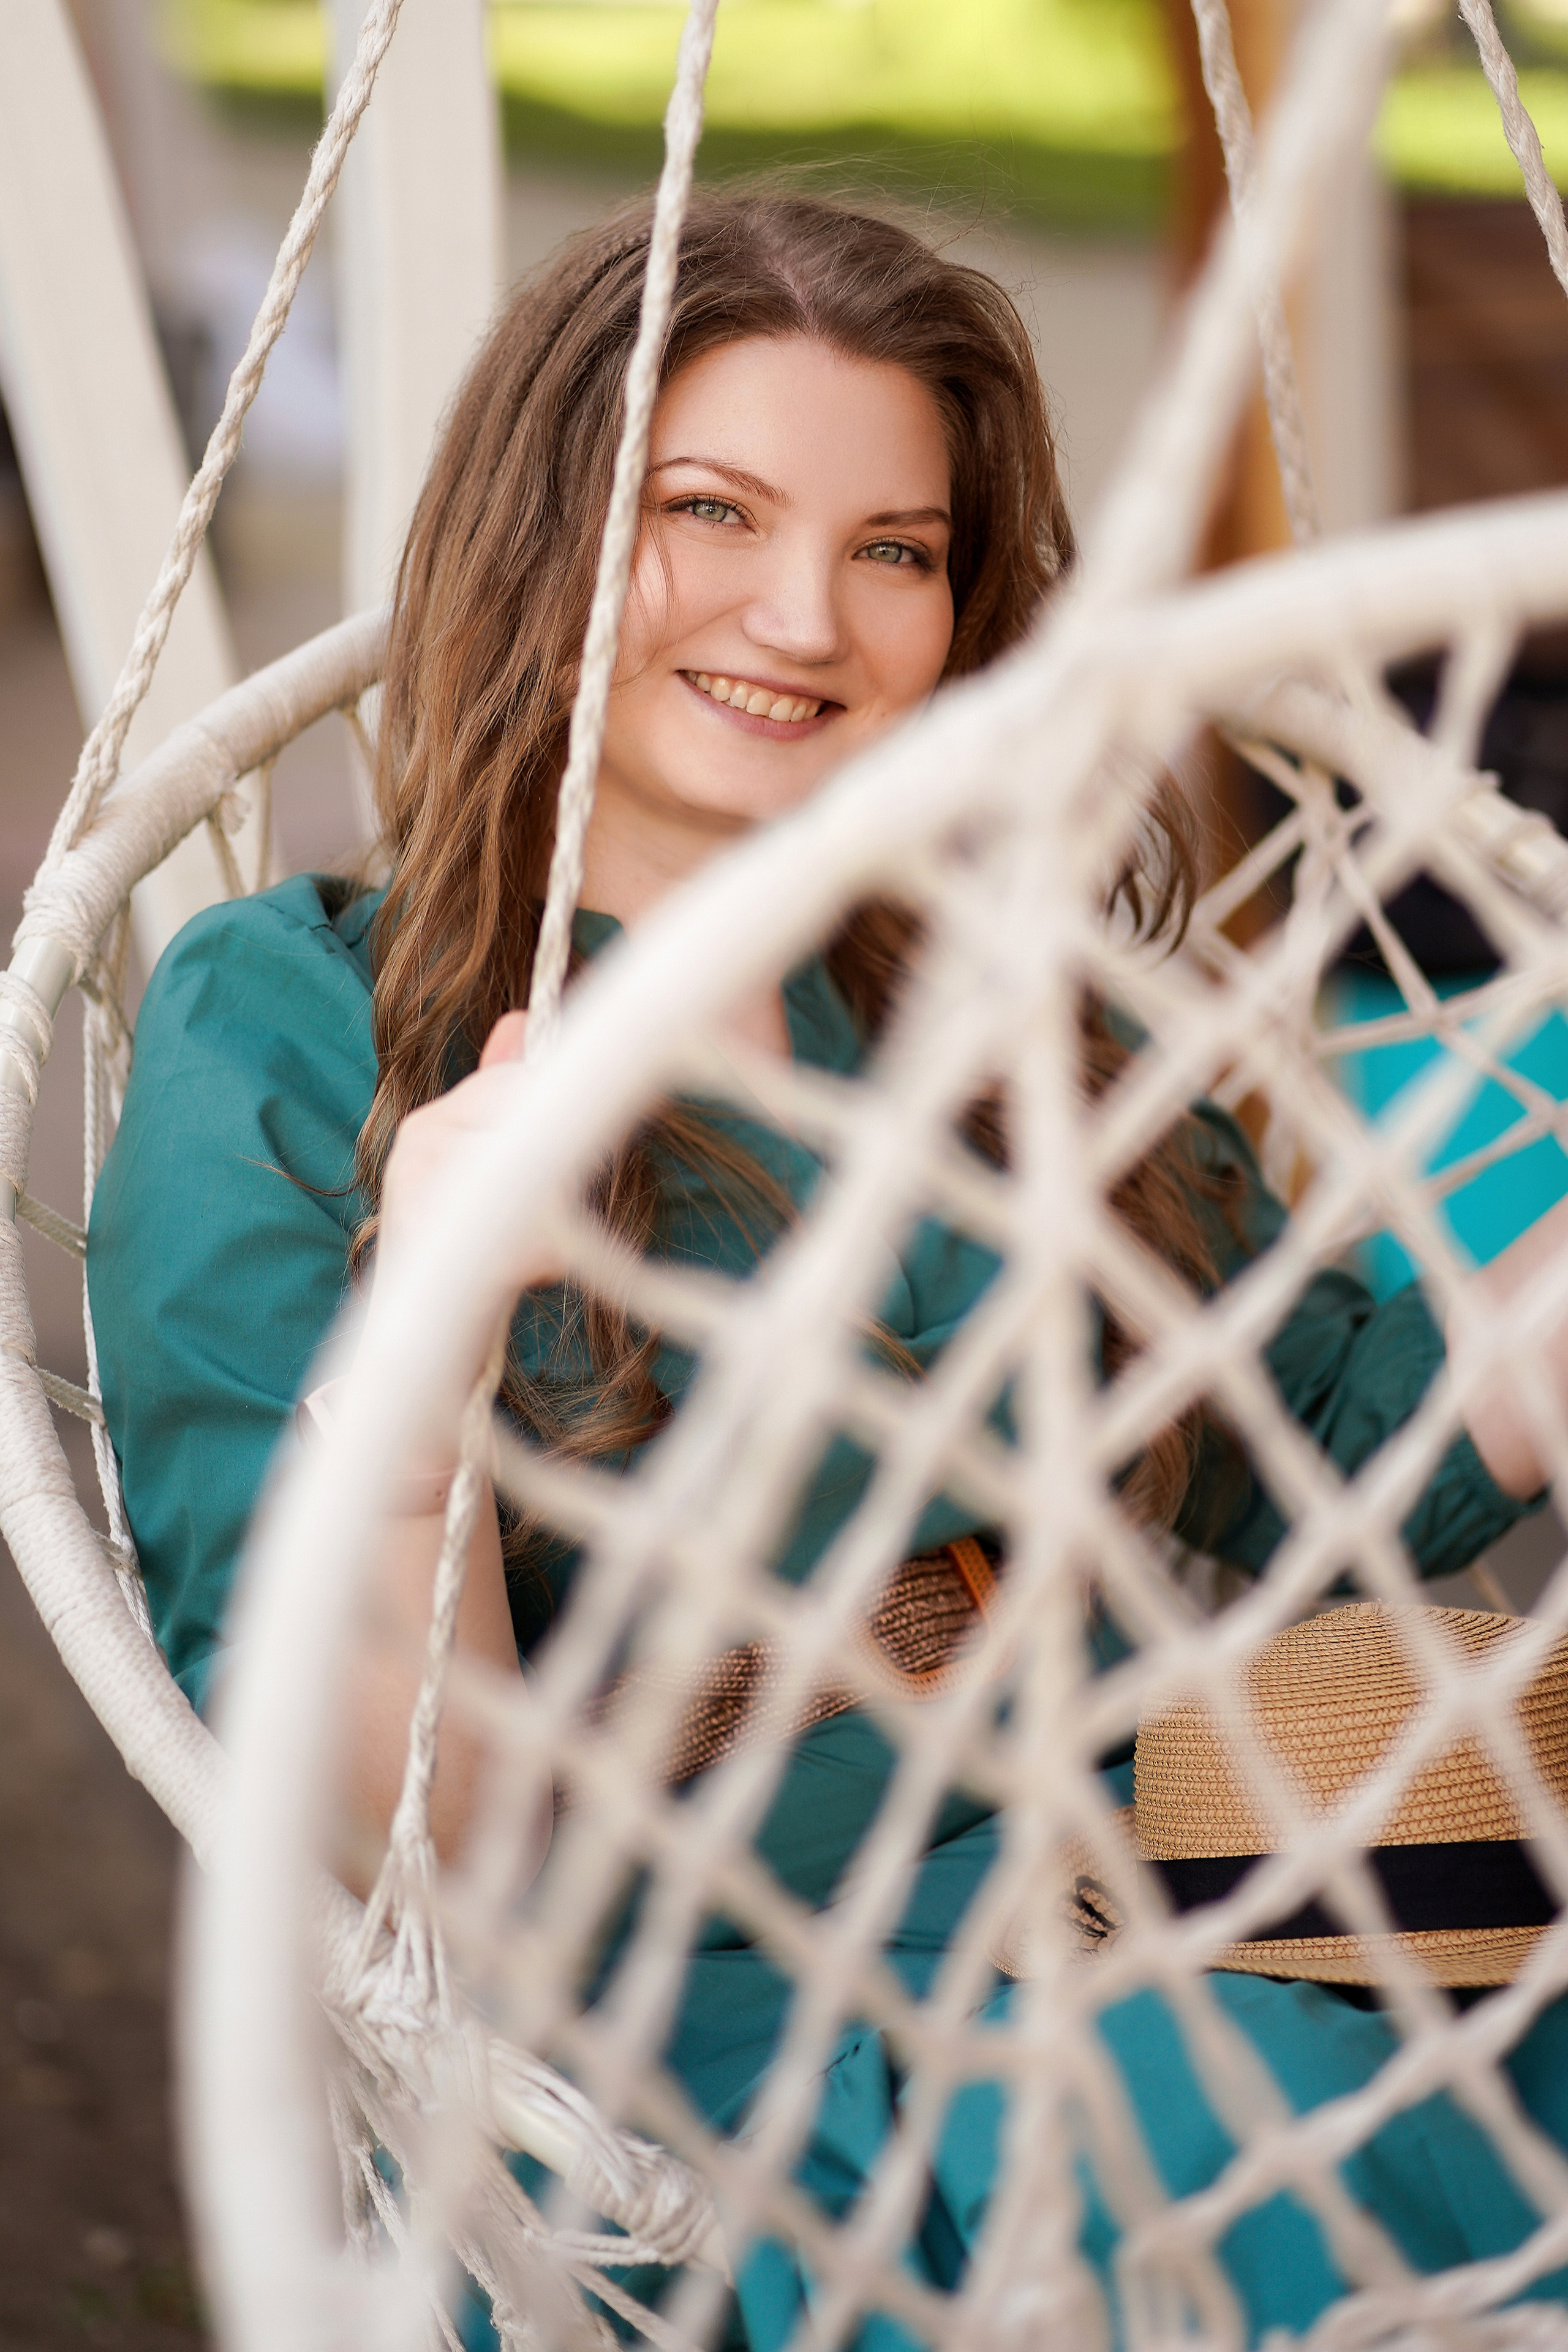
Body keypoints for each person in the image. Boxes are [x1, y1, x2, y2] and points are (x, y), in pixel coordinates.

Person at [86, 188, 1568, 2346]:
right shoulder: (305, 1026)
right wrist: (428, 1344)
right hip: (731, 2041)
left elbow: (1303, 1470)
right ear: (546, 535)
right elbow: (413, 1837)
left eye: (896, 548)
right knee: (1198, 2070)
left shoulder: (1004, 1004)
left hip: (1183, 1800)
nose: (807, 618)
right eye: (713, 512)